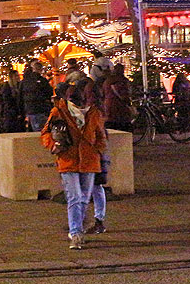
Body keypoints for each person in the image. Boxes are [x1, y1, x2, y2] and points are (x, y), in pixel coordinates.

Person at [41, 84, 107, 250]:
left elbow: (100, 135)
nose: (79, 105)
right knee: (75, 197)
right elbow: (45, 132)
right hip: (68, 160)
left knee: (84, 198)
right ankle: (76, 232)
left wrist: (97, 150)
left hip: (89, 161)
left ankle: (77, 228)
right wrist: (52, 146)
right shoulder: (59, 112)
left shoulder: (94, 113)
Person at [20, 61, 54, 131]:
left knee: (33, 129)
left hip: (29, 109)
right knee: (41, 130)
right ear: (40, 70)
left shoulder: (24, 81)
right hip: (40, 109)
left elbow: (20, 96)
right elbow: (49, 92)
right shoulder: (42, 81)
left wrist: (22, 111)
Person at [103, 64, 133, 132]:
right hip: (119, 107)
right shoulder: (121, 81)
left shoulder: (108, 80)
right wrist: (128, 103)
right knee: (121, 127)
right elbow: (123, 95)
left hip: (109, 105)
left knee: (111, 127)